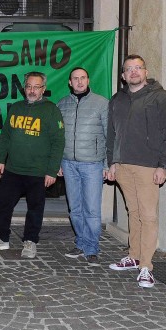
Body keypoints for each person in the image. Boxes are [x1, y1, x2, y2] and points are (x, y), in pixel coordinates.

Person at [106, 55, 166, 288]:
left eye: (138, 68)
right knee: (134, 212)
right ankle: (134, 255)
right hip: (123, 166)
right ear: (123, 75)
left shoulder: (162, 98)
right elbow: (112, 134)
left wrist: (163, 165)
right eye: (129, 69)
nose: (134, 72)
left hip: (149, 167)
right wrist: (112, 162)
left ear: (146, 72)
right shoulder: (117, 100)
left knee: (148, 216)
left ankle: (146, 266)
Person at [0, 72, 65, 259]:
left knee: (35, 208)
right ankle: (0, 238)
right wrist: (0, 159)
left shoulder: (51, 110)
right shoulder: (16, 108)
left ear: (43, 89)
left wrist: (52, 170)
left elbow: (58, 142)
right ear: (24, 88)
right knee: (3, 204)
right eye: (29, 86)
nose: (32, 90)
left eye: (36, 87)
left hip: (38, 171)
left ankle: (30, 241)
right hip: (13, 169)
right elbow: (6, 136)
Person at [57, 67, 108, 266]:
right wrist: (58, 162)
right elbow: (58, 137)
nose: (79, 82)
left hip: (93, 165)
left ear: (88, 80)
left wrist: (107, 165)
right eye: (75, 79)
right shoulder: (62, 104)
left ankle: (92, 248)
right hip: (68, 164)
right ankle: (80, 242)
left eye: (83, 78)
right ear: (70, 82)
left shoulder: (102, 103)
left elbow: (110, 135)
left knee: (92, 210)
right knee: (75, 208)